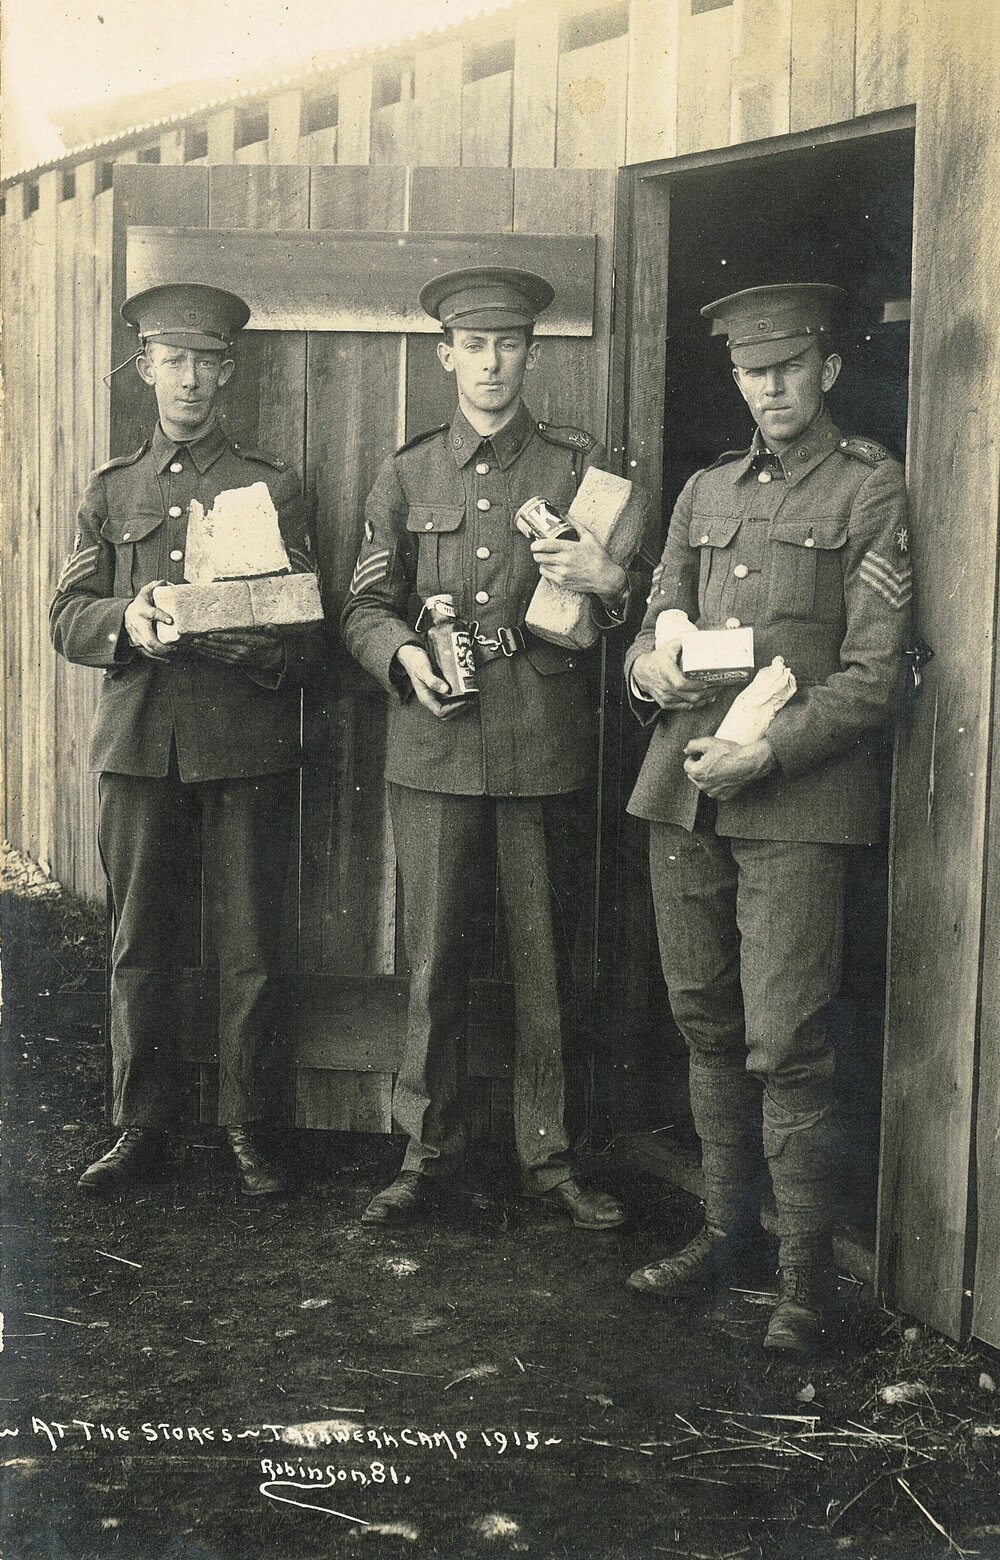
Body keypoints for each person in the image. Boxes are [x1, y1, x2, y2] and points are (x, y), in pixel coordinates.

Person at [624, 284, 912, 1353]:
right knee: (705, 1023)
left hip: (796, 803)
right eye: (752, 371)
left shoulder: (870, 491)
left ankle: (803, 1282)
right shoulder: (703, 490)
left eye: (789, 366)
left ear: (827, 370)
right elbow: (653, 627)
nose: (771, 386)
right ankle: (724, 1235)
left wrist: (769, 751)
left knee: (786, 1041)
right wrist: (648, 664)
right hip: (683, 789)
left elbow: (876, 678)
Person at [341, 266, 630, 1230]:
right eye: (475, 345)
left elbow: (629, 597)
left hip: (542, 741)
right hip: (432, 748)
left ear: (532, 353)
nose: (493, 362)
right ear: (446, 356)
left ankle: (550, 1158)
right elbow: (362, 607)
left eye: (510, 343)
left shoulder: (578, 470)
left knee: (546, 960)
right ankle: (425, 1151)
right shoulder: (407, 472)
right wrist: (401, 658)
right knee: (430, 961)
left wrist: (608, 580)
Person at [50, 283, 322, 1197]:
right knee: (140, 941)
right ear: (147, 370)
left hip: (241, 741)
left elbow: (309, 626)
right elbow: (67, 616)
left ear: (230, 371)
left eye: (209, 363)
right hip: (137, 745)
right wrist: (129, 618)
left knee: (251, 942)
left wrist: (262, 643)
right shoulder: (111, 488)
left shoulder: (271, 486)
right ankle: (141, 1126)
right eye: (175, 362)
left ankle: (250, 1127)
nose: (192, 380)